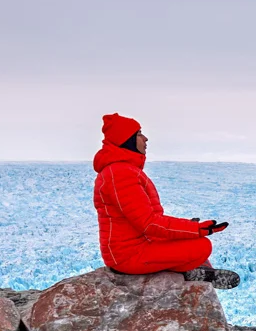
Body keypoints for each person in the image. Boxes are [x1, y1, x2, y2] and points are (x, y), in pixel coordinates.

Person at [92, 113, 241, 288]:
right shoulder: (119, 174)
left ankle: (193, 270)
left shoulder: (123, 171)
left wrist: (186, 228)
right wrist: (196, 229)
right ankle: (191, 272)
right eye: (139, 134)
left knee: (190, 243)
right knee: (202, 246)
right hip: (128, 256)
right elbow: (149, 224)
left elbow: (149, 221)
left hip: (139, 245)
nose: (145, 139)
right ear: (127, 140)